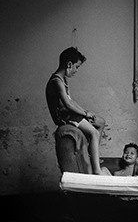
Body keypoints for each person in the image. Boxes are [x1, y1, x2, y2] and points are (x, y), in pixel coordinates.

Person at [46, 46, 110, 175]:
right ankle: (97, 170)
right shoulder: (56, 81)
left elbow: (72, 101)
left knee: (101, 122)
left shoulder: (63, 80)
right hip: (65, 118)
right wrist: (85, 114)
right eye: (77, 67)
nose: (76, 71)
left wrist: (86, 112)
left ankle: (93, 156)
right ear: (69, 64)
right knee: (94, 133)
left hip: (71, 115)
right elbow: (68, 105)